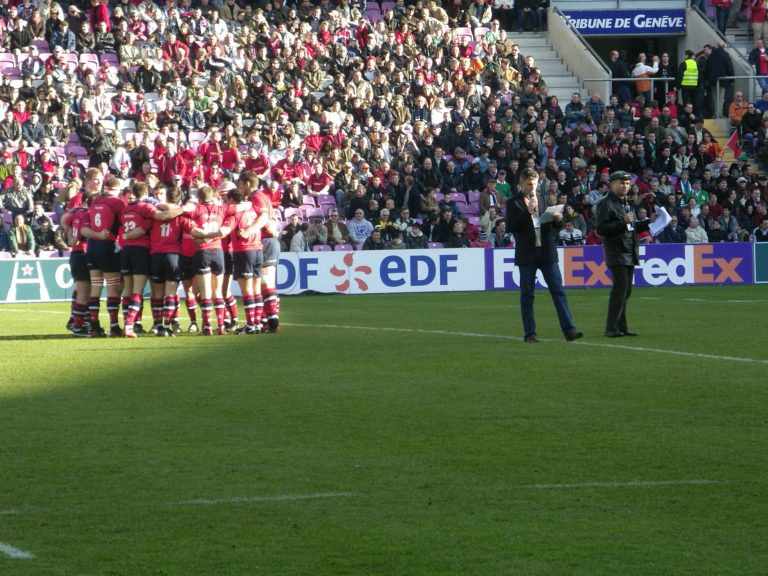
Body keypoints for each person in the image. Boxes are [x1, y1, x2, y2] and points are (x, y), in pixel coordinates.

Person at [506, 167, 582, 343]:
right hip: (527, 254)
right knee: (527, 294)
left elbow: (550, 227)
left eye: (534, 184)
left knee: (558, 291)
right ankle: (530, 333)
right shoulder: (513, 203)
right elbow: (512, 226)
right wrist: (528, 212)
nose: (531, 188)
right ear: (520, 184)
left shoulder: (544, 199)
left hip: (547, 251)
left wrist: (558, 221)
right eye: (528, 184)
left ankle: (569, 329)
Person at [595, 171, 651, 338]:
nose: (625, 186)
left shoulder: (626, 202)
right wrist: (623, 222)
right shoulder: (605, 203)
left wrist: (650, 222)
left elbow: (632, 226)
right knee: (620, 289)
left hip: (629, 249)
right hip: (616, 250)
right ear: (612, 184)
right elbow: (601, 229)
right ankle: (611, 327)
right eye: (621, 183)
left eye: (627, 183)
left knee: (625, 290)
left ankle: (620, 326)